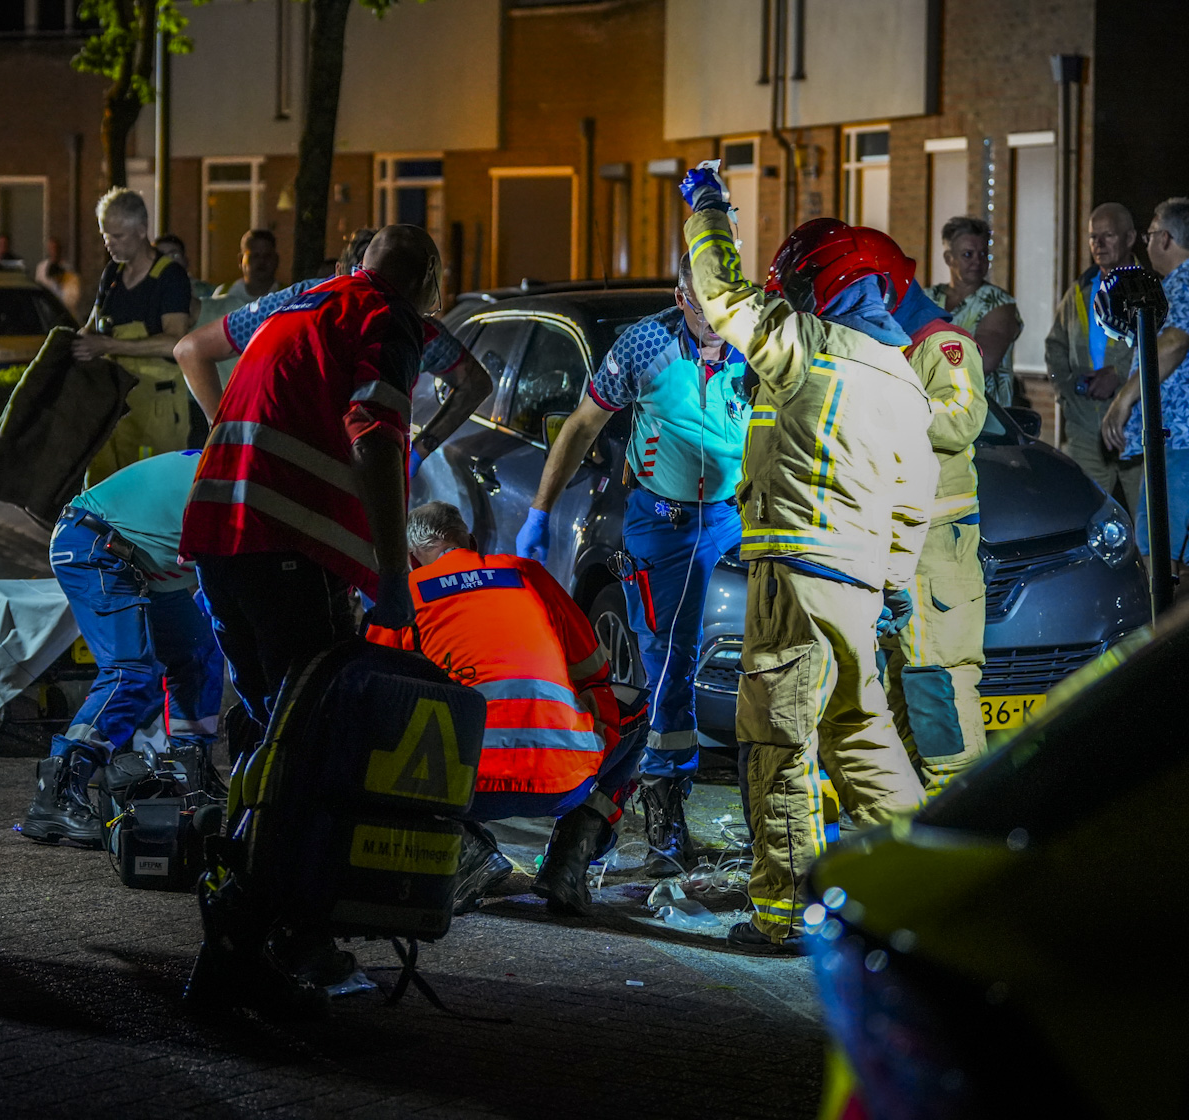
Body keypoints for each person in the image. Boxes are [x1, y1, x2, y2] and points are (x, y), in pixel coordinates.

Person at [679, 174, 934, 956]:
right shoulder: (905, 381)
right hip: (860, 585)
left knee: (779, 739)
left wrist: (709, 210)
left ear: (819, 282)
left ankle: (781, 915)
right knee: (865, 738)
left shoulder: (806, 344)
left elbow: (720, 293)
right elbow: (913, 502)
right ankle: (924, 895)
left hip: (793, 568)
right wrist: (891, 587)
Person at [513, 251, 750, 877]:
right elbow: (583, 427)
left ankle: (770, 818)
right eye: (705, 305)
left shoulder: (755, 340)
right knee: (668, 669)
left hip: (737, 518)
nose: (719, 319)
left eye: (728, 302)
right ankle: (666, 822)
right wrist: (540, 512)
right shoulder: (644, 345)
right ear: (680, 300)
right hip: (665, 528)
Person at [181, 223, 442, 741]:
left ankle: (252, 819)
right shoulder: (387, 314)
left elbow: (194, 351)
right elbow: (374, 437)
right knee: (318, 722)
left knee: (271, 722)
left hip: (216, 538)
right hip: (288, 544)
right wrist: (392, 571)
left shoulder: (303, 303)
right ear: (426, 278)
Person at [368, 502, 646, 916]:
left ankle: (466, 852)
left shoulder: (403, 599)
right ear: (472, 543)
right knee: (637, 708)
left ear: (410, 558)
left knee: (373, 726)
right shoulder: (527, 574)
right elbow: (595, 670)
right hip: (563, 781)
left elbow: (374, 700)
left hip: (462, 791)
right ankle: (567, 864)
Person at [20, 448, 224, 847]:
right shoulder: (236, 486)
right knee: (131, 672)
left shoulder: (244, 477)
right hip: (93, 542)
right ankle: (58, 790)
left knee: (198, 650)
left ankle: (189, 777)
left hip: (131, 552)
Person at [174, 227, 490, 470]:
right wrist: (417, 454)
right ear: (419, 285)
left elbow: (191, 349)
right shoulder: (406, 328)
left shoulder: (299, 300)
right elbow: (377, 450)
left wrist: (229, 440)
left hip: (257, 483)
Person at [884, 249, 990, 794]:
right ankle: (915, 813)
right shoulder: (894, 345)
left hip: (936, 542)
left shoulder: (942, 344)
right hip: (902, 542)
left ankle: (965, 812)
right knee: (901, 684)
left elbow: (966, 416)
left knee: (939, 680)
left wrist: (886, 413)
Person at [1101, 197, 1189, 593]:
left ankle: (1157, 643)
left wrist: (1124, 399)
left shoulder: (1186, 283)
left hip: (1183, 439)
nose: (1147, 245)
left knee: (1157, 542)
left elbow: (1174, 343)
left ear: (1165, 238)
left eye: (1149, 235)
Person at [77, 189, 193, 485]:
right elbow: (93, 325)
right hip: (116, 406)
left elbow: (174, 341)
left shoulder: (170, 277)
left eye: (118, 236)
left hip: (158, 409)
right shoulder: (112, 274)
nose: (110, 244)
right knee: (106, 487)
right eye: (106, 236)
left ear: (142, 231)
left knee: (154, 492)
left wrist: (108, 345)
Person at [1045, 203, 1142, 507]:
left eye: (1107, 235)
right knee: (1083, 514)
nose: (1097, 245)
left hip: (1135, 425)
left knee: (1149, 526)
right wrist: (1065, 391)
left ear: (1129, 238)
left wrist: (1119, 376)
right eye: (1092, 237)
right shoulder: (1079, 292)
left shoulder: (1150, 290)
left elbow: (1163, 347)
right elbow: (1054, 346)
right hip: (1085, 425)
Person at [928, 216, 1021, 407]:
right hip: (932, 411)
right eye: (968, 254)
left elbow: (982, 362)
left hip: (983, 417)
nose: (978, 261)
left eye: (983, 254)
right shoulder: (929, 298)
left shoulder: (998, 303)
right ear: (949, 258)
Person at [32, 237, 82, 320]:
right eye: (51, 249)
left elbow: (73, 297)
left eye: (56, 249)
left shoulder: (68, 270)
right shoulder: (41, 268)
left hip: (63, 310)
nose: (54, 251)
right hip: (46, 311)